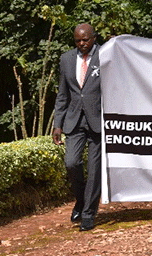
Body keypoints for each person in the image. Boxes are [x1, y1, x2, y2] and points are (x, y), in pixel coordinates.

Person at [52, 23, 102, 231]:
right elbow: (63, 94)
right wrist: (58, 124)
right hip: (74, 120)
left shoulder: (105, 56)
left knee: (94, 169)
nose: (82, 44)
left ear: (93, 38)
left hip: (98, 121)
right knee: (71, 163)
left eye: (85, 40)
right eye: (78, 41)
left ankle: (89, 213)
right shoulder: (66, 59)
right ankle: (80, 201)